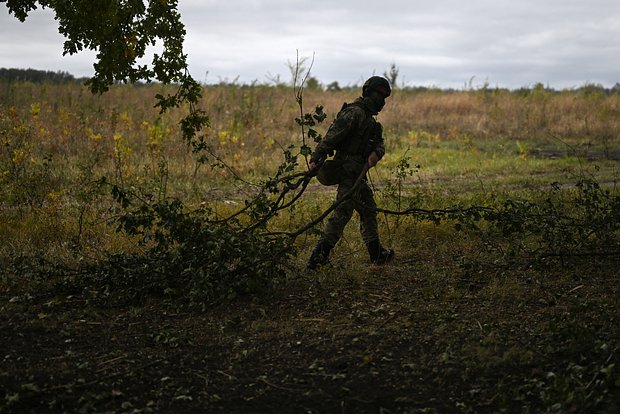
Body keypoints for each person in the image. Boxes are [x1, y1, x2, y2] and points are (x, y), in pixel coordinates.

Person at [307, 76, 394, 270]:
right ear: (368, 93)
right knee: (342, 213)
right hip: (347, 171)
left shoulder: (371, 122)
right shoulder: (353, 113)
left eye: (384, 97)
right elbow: (331, 138)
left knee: (368, 210)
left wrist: (375, 155)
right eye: (379, 96)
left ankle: (377, 254)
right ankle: (318, 258)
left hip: (358, 174)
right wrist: (315, 159)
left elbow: (379, 145)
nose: (382, 101)